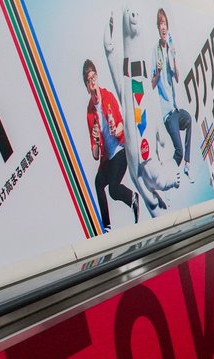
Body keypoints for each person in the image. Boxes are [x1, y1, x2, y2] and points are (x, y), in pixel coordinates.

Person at [84, 59, 139, 232]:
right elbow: (95, 153)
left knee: (114, 190)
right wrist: (96, 144)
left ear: (97, 77)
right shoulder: (90, 112)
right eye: (89, 80)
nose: (93, 82)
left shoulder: (108, 97)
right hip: (107, 158)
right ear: (86, 85)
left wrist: (117, 130)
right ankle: (106, 226)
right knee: (98, 183)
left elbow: (122, 123)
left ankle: (132, 198)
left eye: (94, 77)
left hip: (121, 150)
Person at [152, 8, 193, 182]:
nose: (163, 27)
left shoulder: (169, 47)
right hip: (168, 114)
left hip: (176, 110)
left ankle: (188, 165)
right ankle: (165, 176)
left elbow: (177, 77)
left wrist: (174, 58)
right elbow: (152, 84)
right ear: (157, 27)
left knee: (189, 119)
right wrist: (158, 71)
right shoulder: (155, 50)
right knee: (179, 152)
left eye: (165, 24)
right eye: (161, 23)